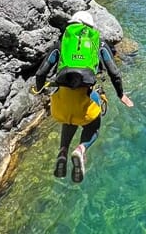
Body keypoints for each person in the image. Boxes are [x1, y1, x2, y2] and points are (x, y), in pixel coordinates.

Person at [33, 10, 134, 183]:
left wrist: (40, 89)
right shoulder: (98, 43)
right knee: (93, 126)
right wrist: (121, 94)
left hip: (61, 103)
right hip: (86, 100)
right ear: (90, 27)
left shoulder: (63, 42)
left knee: (69, 119)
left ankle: (63, 151)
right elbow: (114, 73)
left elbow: (41, 72)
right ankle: (80, 149)